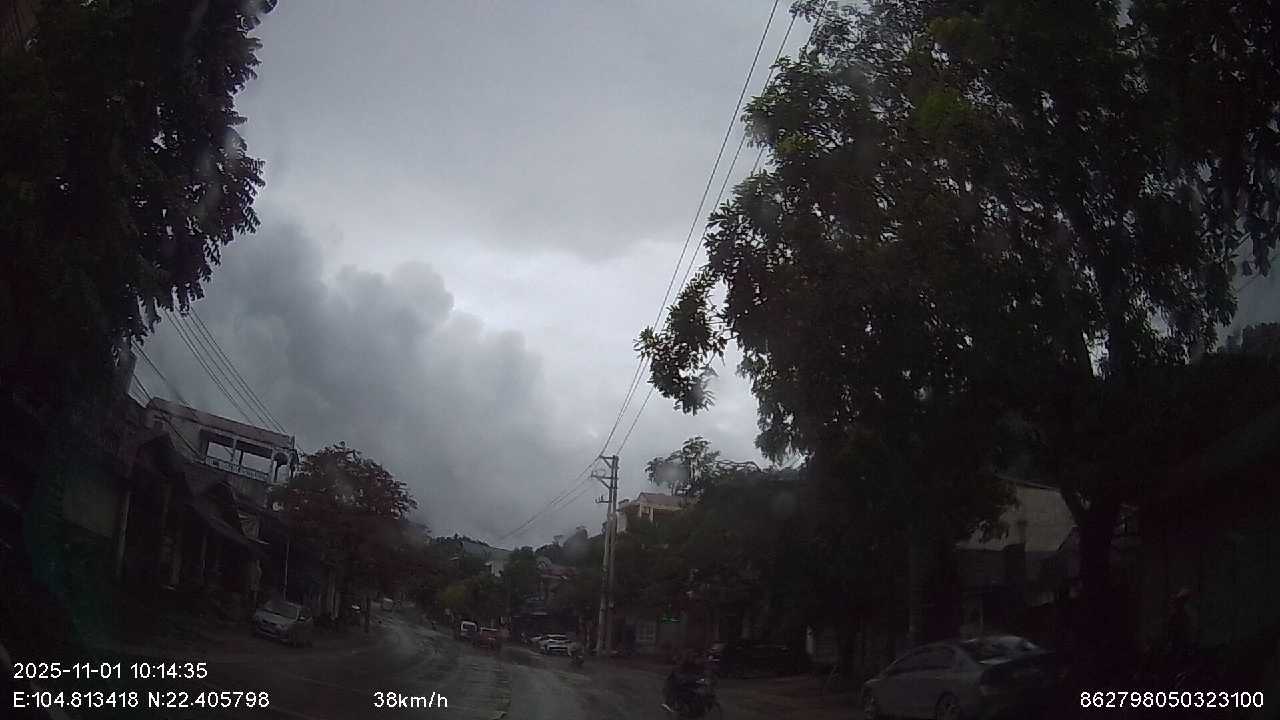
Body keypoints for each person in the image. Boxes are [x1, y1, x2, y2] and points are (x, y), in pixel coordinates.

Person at [663, 649, 705, 713]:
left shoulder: (699, 665)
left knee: (699, 691)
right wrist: (685, 678)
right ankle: (670, 705)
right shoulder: (685, 664)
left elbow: (702, 673)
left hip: (691, 681)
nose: (698, 660)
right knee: (677, 691)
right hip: (680, 681)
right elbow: (679, 673)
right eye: (693, 657)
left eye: (698, 658)